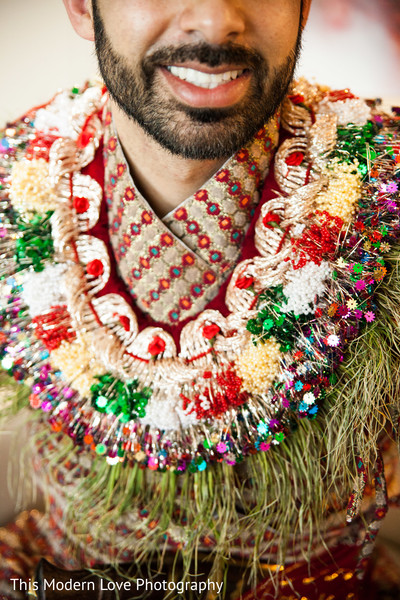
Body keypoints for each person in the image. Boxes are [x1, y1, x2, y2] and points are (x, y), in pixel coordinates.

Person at [0, 0, 399, 598]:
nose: (215, 20)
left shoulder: (378, 193)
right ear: (84, 7)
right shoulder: (19, 190)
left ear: (305, 7)